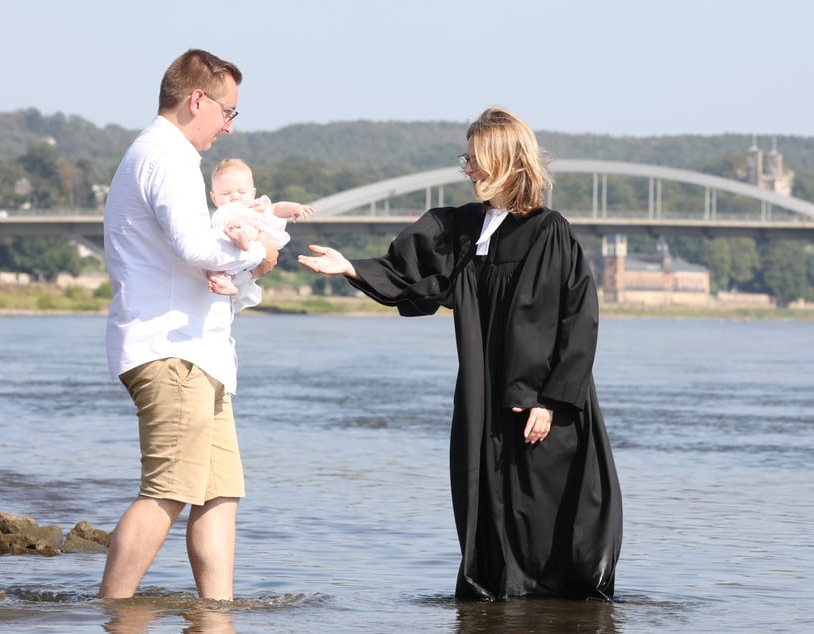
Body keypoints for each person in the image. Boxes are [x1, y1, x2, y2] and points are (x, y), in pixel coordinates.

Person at [298, 107, 622, 602]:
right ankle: (495, 600)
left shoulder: (549, 231)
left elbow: (577, 322)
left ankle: (551, 607)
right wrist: (352, 269)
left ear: (504, 162)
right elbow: (415, 277)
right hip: (483, 397)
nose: (467, 169)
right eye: (465, 160)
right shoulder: (464, 229)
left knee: (541, 510)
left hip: (542, 404)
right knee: (485, 496)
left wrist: (551, 401)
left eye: (474, 160)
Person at [100, 48, 279, 600]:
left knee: (219, 493)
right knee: (169, 491)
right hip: (171, 350)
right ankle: (113, 611)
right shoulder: (165, 156)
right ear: (197, 100)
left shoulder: (167, 156)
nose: (228, 128)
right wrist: (259, 251)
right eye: (228, 113)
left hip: (201, 355)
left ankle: (217, 614)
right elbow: (196, 245)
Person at [207, 158, 314, 311]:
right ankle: (226, 282)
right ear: (214, 198)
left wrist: (294, 208)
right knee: (214, 269)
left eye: (241, 192)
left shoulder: (255, 207)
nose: (234, 197)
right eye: (226, 193)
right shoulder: (220, 214)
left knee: (245, 229)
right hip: (228, 251)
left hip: (250, 239)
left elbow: (277, 208)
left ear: (253, 193)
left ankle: (242, 240)